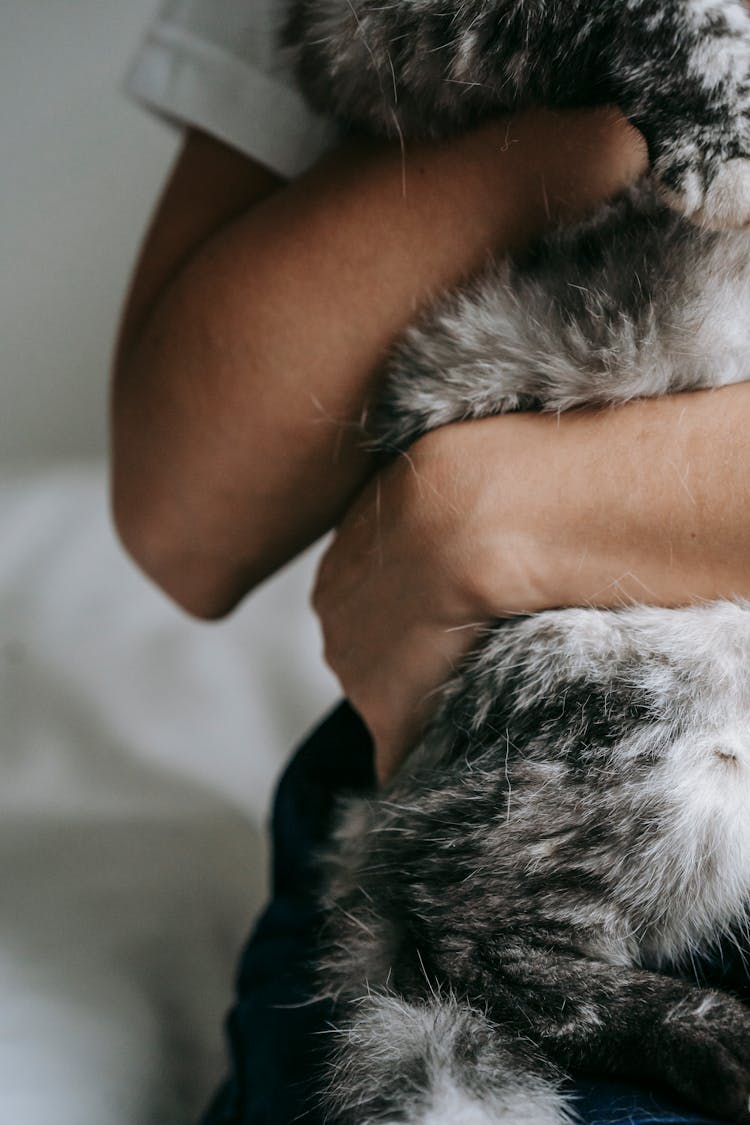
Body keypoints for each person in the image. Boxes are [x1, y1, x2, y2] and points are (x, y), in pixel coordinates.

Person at [113, 1, 750, 1121]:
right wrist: (648, 73)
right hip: (523, 822)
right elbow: (185, 517)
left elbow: (475, 525)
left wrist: (501, 513)